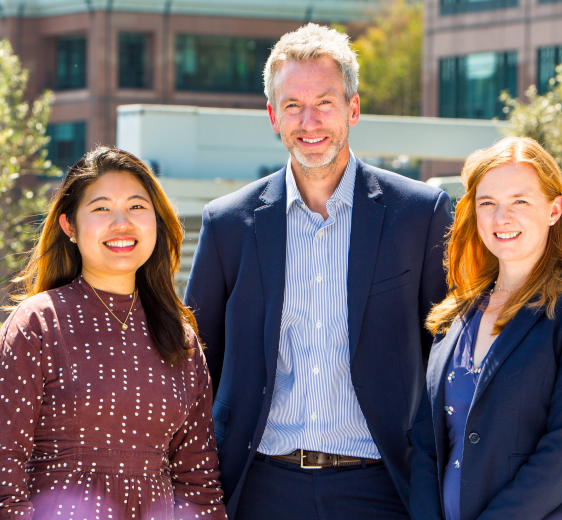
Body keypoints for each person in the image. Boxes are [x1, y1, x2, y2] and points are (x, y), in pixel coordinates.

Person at [184, 23, 453, 519]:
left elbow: (447, 363)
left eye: (325, 102)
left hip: (382, 489)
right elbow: (198, 368)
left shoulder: (420, 215)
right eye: (292, 105)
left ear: (353, 108)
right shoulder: (228, 224)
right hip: (260, 488)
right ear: (272, 115)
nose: (310, 121)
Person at [0, 147, 226, 520]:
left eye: (137, 207)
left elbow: (199, 478)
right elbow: (0, 467)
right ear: (69, 226)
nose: (121, 223)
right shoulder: (37, 324)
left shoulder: (180, 337)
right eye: (102, 208)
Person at [410, 137, 562, 520]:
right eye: (487, 203)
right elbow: (428, 445)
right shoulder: (455, 315)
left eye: (519, 202)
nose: (500, 218)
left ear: (554, 209)